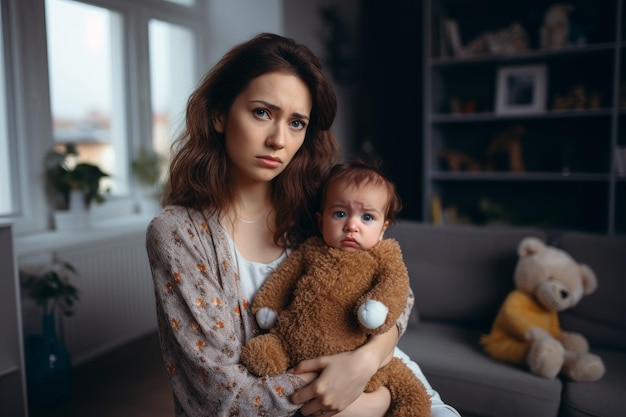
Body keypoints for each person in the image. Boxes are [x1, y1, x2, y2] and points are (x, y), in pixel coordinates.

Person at [146, 32, 460, 417]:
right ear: (219, 115)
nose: (279, 139)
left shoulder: (317, 207)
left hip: (382, 374)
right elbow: (222, 395)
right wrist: (373, 401)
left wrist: (366, 362)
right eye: (262, 112)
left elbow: (399, 293)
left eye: (297, 123)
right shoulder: (179, 234)